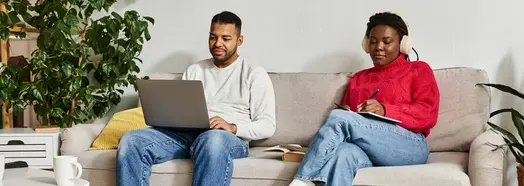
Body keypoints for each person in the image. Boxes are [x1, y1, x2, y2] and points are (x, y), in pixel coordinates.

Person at [116, 11, 276, 186]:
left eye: (226, 38)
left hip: (225, 139)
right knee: (131, 140)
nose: (218, 44)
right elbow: (182, 112)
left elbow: (268, 125)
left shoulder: (254, 73)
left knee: (212, 140)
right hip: (187, 136)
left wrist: (232, 127)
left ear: (239, 41)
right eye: (213, 37)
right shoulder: (194, 70)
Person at [289, 12, 440, 186]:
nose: (378, 47)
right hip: (367, 148)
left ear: (403, 44)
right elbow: (349, 119)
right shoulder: (359, 78)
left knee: (338, 117)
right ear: (366, 44)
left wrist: (384, 109)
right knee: (343, 153)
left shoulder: (418, 70)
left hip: (409, 146)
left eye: (387, 41)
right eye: (373, 41)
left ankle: (301, 181)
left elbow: (428, 114)